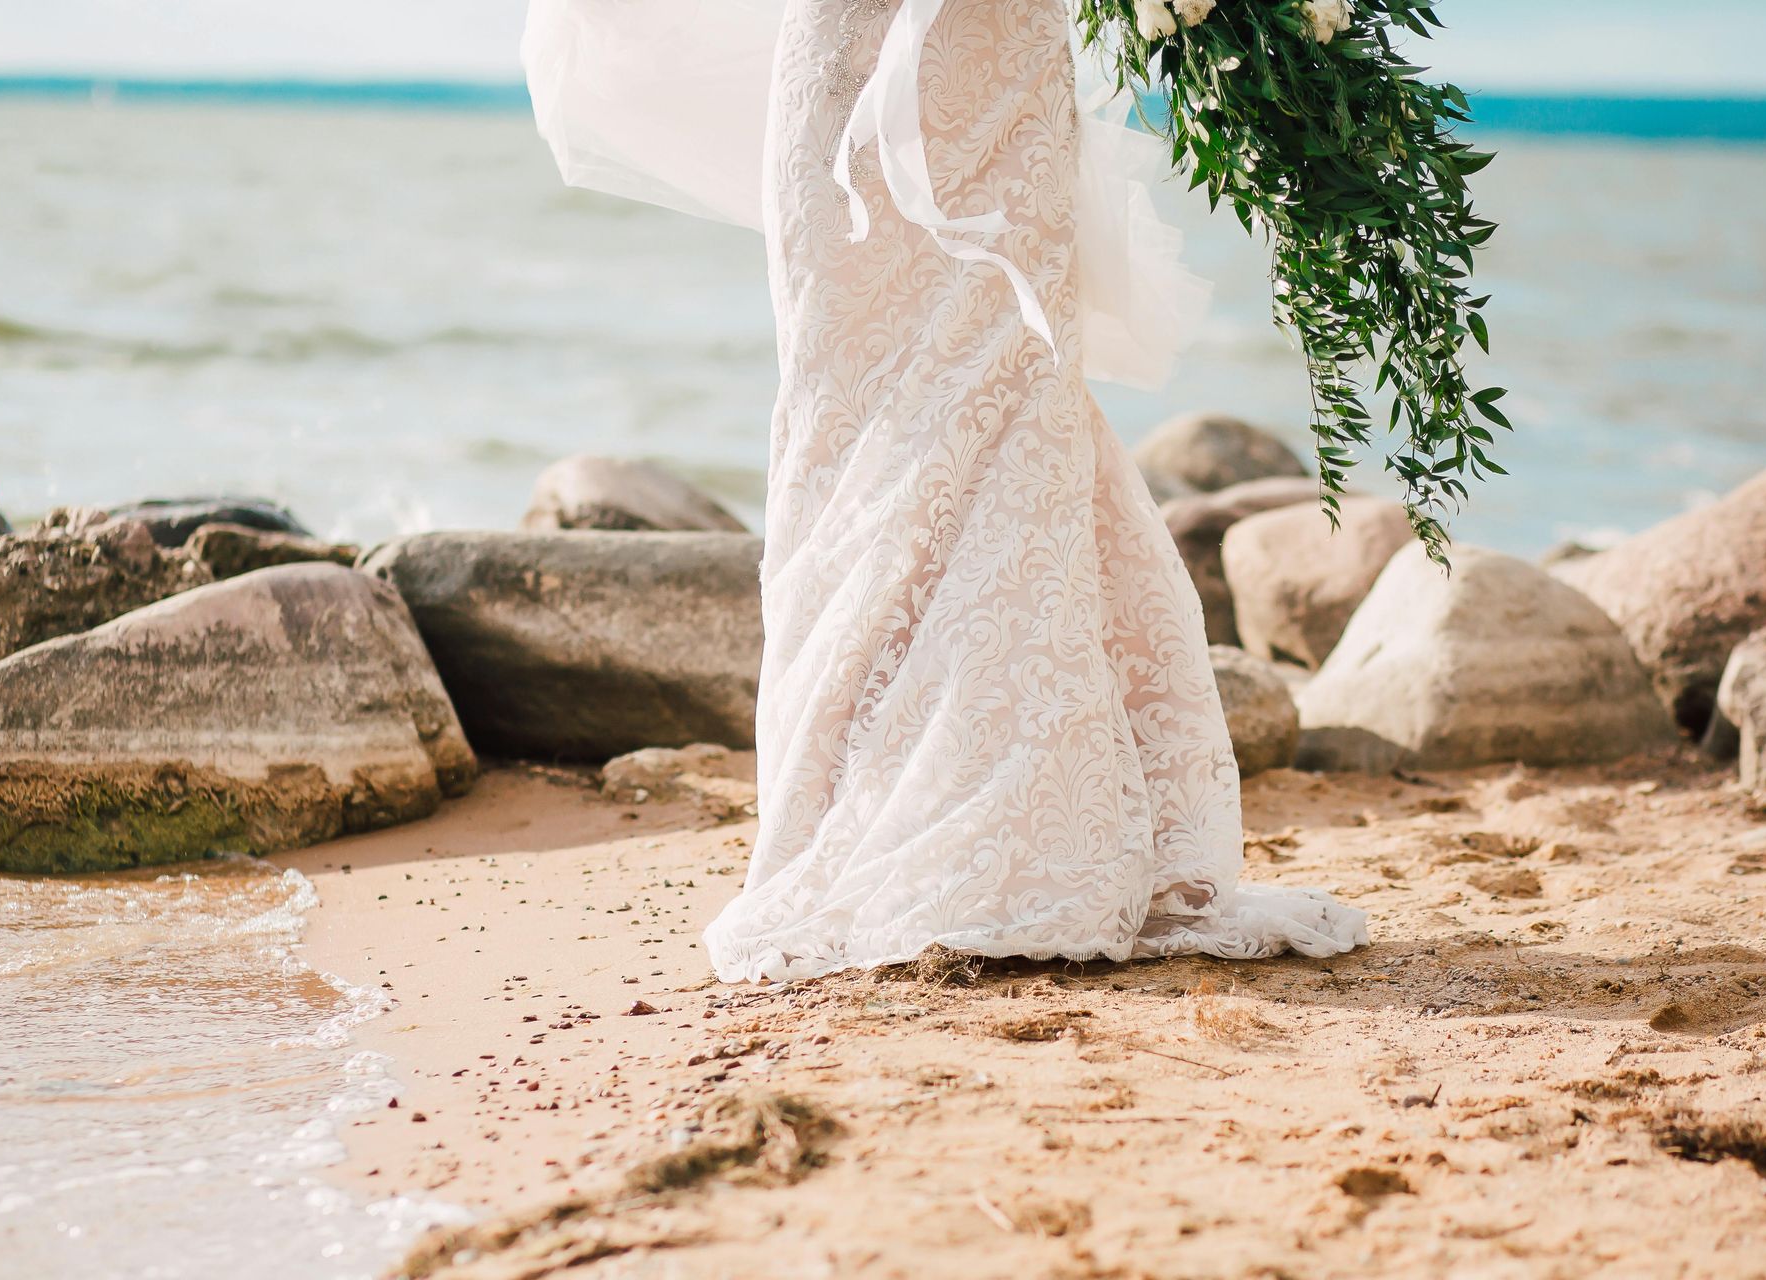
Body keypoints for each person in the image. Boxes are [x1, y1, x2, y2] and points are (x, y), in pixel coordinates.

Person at [523, 0, 1369, 983]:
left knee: (1011, 381)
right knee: (850, 396)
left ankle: (1036, 822)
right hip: (845, 57)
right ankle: (878, 812)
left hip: (998, 64)